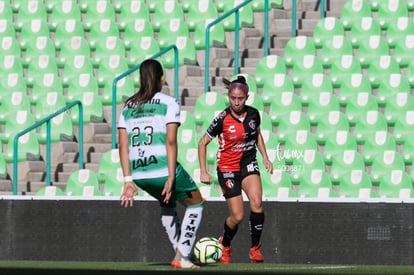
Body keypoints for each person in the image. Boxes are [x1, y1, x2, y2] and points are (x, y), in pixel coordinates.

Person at [118, 59, 204, 269]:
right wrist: (171, 176)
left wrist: (128, 180)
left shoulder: (127, 106)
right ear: (162, 78)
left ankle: (179, 252)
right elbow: (171, 140)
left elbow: (122, 146)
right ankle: (183, 254)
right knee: (197, 202)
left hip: (139, 174)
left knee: (167, 203)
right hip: (162, 168)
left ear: (139, 79)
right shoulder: (169, 102)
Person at [197, 75, 273, 263]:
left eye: (240, 98)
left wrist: (265, 156)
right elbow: (202, 143)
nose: (236, 102)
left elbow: (256, 134)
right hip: (227, 168)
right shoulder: (222, 119)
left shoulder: (254, 114)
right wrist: (203, 171)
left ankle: (255, 248)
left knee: (256, 203)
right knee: (237, 216)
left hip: (248, 163)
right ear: (229, 97)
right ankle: (226, 243)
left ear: (247, 97)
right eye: (233, 98)